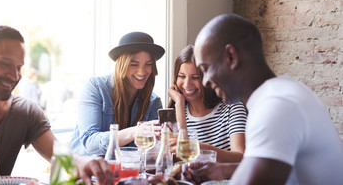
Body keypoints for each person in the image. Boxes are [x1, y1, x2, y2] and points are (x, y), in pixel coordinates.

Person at [183, 13, 343, 185]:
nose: (206, 81)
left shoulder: (276, 106)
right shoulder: (282, 91)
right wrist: (222, 170)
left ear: (231, 57)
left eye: (205, 68)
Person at [0, 25, 113, 185]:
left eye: (19, 67)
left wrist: (83, 162)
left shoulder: (25, 111)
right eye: (4, 63)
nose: (14, 75)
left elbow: (59, 155)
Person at [72, 31, 164, 156]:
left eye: (148, 64)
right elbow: (90, 142)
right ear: (122, 64)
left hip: (125, 171)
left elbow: (151, 150)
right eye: (134, 64)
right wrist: (135, 132)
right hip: (85, 171)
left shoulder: (153, 102)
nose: (142, 72)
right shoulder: (95, 87)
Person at [168, 44, 246, 162]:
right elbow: (180, 158)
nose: (187, 84)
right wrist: (179, 104)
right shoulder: (176, 114)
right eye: (181, 76)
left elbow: (241, 157)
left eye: (195, 77)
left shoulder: (232, 107)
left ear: (208, 78)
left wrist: (200, 148)